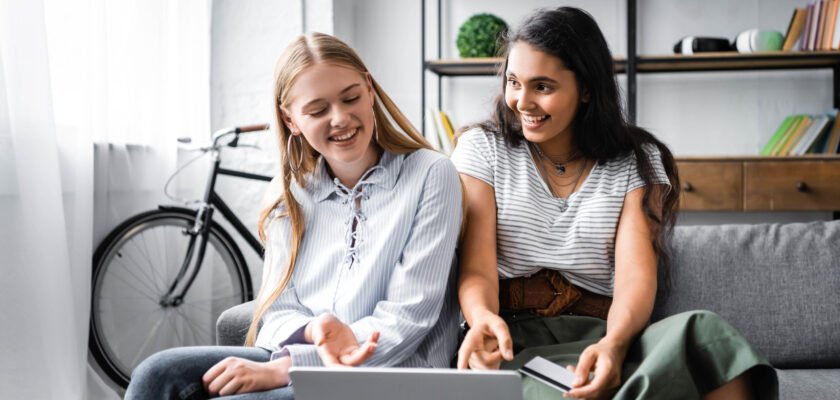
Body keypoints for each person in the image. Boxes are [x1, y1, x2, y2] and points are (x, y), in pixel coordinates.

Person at [450, 7, 777, 400]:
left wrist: (614, 346)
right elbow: (477, 269)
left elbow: (635, 280)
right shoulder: (482, 149)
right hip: (514, 341)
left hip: (606, 337)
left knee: (704, 335)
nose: (522, 101)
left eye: (543, 87)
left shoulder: (637, 159)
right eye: (514, 82)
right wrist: (483, 320)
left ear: (586, 88)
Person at [125, 32, 463, 399]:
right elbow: (277, 311)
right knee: (157, 373)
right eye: (318, 111)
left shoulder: (432, 173)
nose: (340, 118)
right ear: (291, 120)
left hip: (396, 368)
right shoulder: (287, 192)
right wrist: (314, 331)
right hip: (297, 357)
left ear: (369, 89)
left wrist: (285, 369)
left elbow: (408, 319)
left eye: (351, 98)